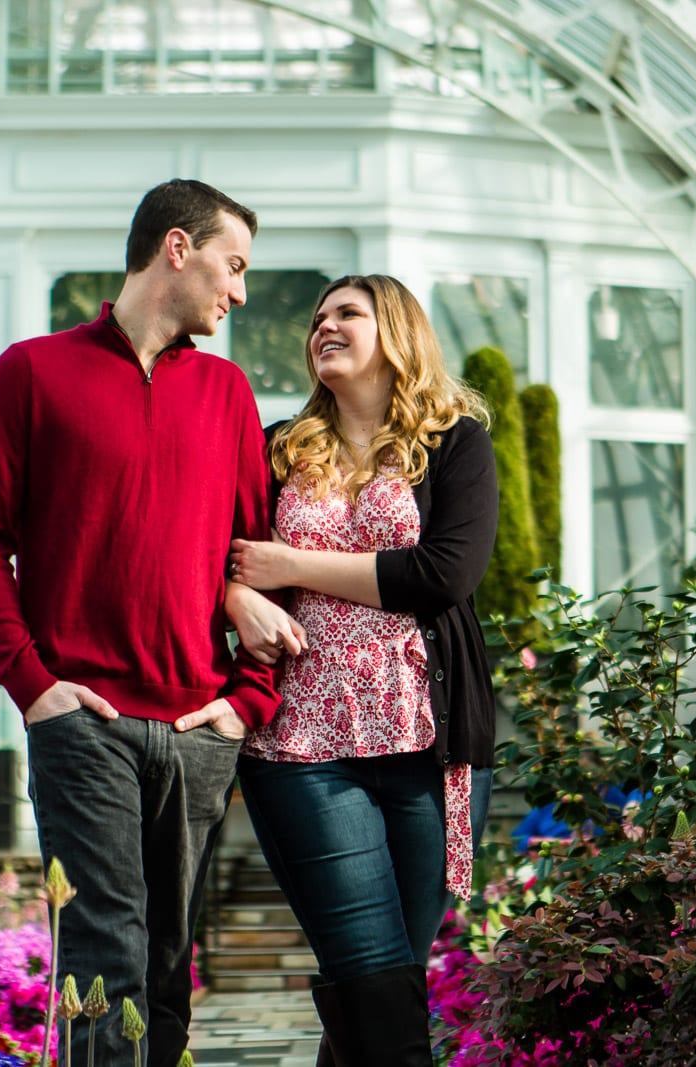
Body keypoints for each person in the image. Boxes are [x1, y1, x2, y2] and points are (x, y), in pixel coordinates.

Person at [0, 178, 303, 1065]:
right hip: (86, 722)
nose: (240, 290)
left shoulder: (228, 394)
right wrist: (34, 688)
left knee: (168, 965)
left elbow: (258, 560)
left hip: (198, 729)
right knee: (104, 954)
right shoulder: (31, 373)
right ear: (177, 249)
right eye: (233, 265)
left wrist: (247, 700)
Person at [226, 274, 498, 1067]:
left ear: (399, 332)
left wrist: (291, 563)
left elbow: (443, 574)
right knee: (369, 973)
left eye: (348, 312)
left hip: (426, 742)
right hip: (303, 746)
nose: (325, 326)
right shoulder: (278, 448)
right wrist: (242, 591)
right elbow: (218, 553)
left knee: (382, 982)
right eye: (318, 318)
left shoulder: (455, 442)